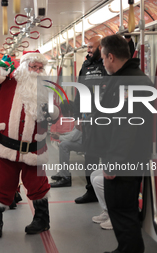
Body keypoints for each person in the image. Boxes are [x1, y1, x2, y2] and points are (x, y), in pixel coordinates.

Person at [0, 51, 60, 238]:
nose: (37, 71)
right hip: (7, 146)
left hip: (34, 149)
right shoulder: (7, 81)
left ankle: (42, 220)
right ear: (24, 67)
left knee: (38, 185)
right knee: (1, 185)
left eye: (40, 68)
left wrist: (52, 111)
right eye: (33, 66)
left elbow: (57, 112)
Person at [88, 34, 154, 253]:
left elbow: (126, 127)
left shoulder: (129, 82)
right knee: (122, 210)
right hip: (129, 157)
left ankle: (130, 250)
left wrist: (114, 161)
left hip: (125, 160)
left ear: (111, 56)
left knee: (122, 210)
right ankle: (125, 248)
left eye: (104, 58)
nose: (103, 63)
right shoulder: (132, 78)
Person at [51, 36, 109, 197]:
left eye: (92, 47)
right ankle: (91, 190)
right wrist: (77, 116)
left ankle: (105, 191)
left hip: (104, 118)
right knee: (90, 155)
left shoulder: (106, 65)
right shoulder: (86, 65)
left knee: (105, 155)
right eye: (88, 47)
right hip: (87, 117)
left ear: (101, 48)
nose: (89, 50)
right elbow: (79, 91)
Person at [50, 101, 83, 187]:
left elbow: (74, 137)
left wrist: (59, 137)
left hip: (86, 144)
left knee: (64, 145)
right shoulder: (78, 116)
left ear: (68, 111)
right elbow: (73, 133)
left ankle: (65, 177)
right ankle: (63, 172)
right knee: (64, 144)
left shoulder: (81, 117)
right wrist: (61, 135)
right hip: (82, 141)